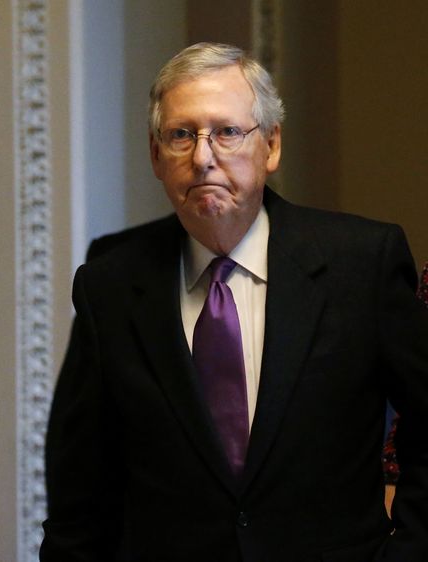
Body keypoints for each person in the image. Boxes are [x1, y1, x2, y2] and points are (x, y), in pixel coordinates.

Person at [40, 42, 428, 562]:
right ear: (156, 156)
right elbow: (81, 482)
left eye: (226, 132)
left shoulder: (362, 263)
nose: (203, 157)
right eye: (181, 135)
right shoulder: (109, 288)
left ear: (270, 146)